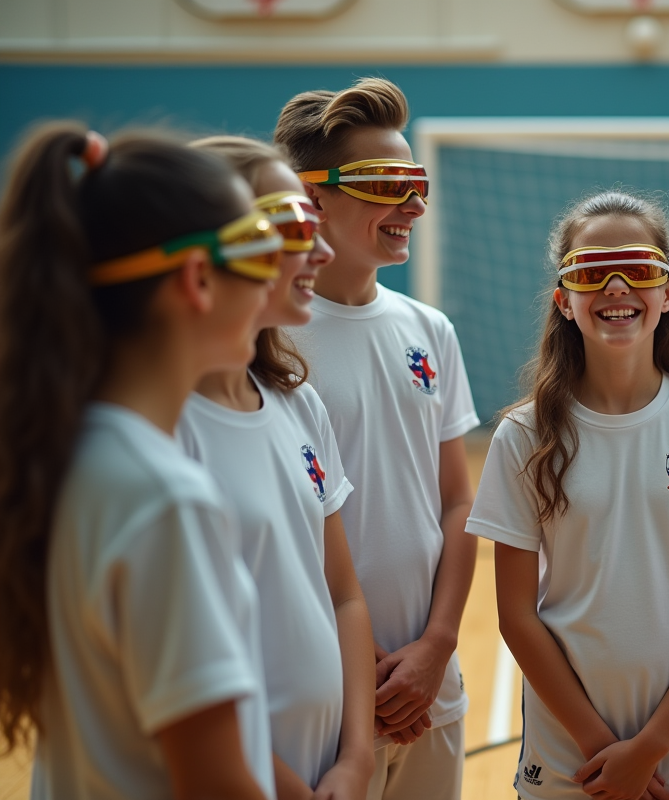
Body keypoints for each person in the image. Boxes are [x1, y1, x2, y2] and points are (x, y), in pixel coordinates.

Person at [0, 124, 280, 798]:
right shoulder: (163, 497)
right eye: (262, 249)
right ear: (198, 278)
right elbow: (214, 784)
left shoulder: (74, 456)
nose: (277, 278)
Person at [466, 191, 669, 800]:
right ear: (564, 300)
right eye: (590, 273)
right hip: (568, 761)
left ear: (668, 292)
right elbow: (516, 616)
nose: (614, 287)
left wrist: (652, 747)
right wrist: (604, 753)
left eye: (637, 270)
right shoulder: (523, 436)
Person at [274, 77, 479, 800]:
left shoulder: (430, 331)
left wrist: (437, 647)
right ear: (312, 196)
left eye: (414, 181)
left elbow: (458, 503)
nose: (413, 203)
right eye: (386, 183)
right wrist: (357, 661)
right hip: (321, 695)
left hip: (429, 691)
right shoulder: (265, 342)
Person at [181, 135, 376, 800]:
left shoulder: (297, 404)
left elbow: (342, 591)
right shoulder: (160, 432)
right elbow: (180, 687)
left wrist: (355, 759)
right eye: (294, 228)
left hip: (325, 769)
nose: (321, 251)